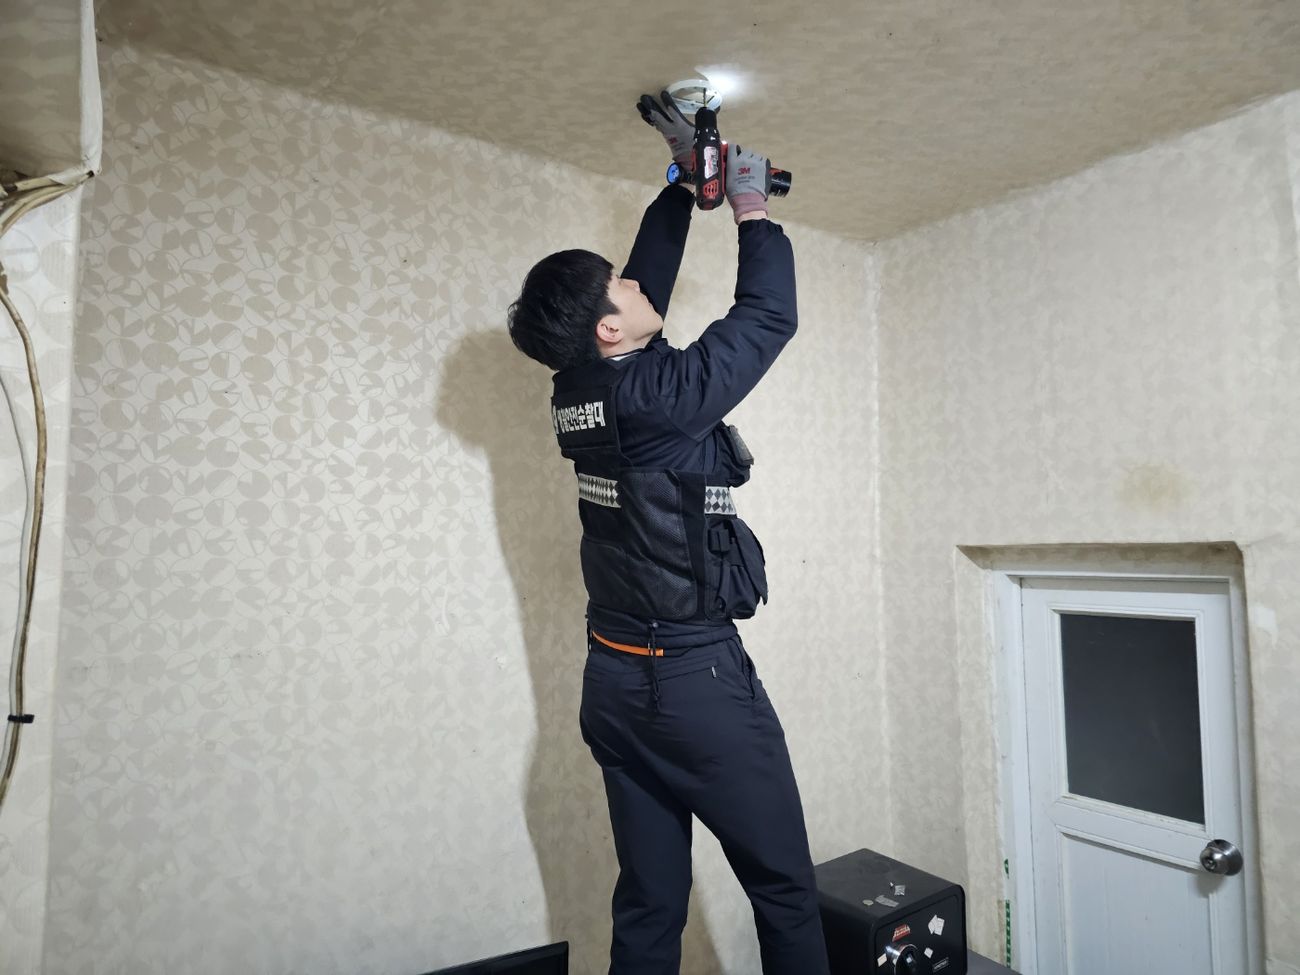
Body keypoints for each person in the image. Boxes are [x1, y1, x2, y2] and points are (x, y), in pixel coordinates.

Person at [506, 92, 829, 975]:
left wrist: (685, 186)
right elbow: (767, 319)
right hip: (693, 683)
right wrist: (752, 211)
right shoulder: (657, 396)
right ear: (609, 328)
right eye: (619, 285)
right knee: (785, 890)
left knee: (650, 901)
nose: (637, 282)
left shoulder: (578, 388)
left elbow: (633, 297)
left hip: (612, 683)